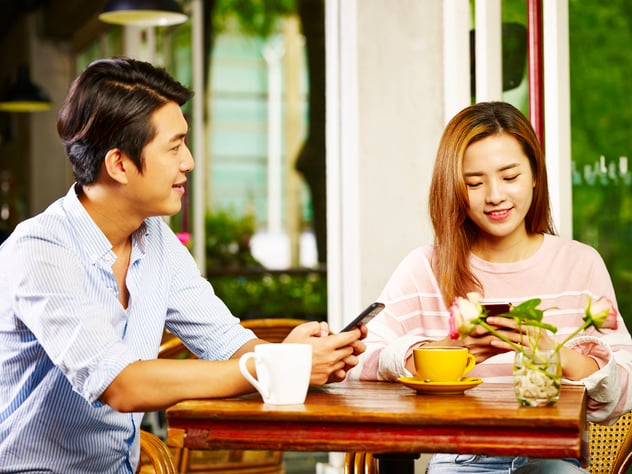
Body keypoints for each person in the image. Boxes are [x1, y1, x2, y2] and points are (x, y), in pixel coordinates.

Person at [0, 57, 365, 474]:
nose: (188, 161)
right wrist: (278, 366)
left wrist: (298, 355)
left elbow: (227, 343)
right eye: (174, 147)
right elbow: (121, 384)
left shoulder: (155, 238)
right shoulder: (40, 249)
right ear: (119, 164)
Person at [347, 101, 632, 473]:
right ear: (453, 188)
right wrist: (446, 355)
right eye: (474, 183)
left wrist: (556, 356)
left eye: (510, 176)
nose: (494, 195)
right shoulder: (425, 267)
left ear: (534, 175)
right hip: (459, 459)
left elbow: (624, 390)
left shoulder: (579, 263)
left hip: (552, 459)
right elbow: (354, 361)